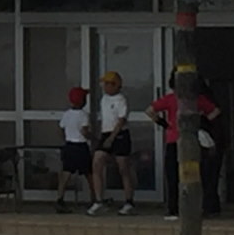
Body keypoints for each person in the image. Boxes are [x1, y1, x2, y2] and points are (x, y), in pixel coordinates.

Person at [148, 73, 224, 217]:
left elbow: (150, 110)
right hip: (192, 140)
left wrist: (165, 124)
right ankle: (197, 207)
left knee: (173, 176)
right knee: (195, 176)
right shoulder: (197, 99)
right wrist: (202, 120)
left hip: (173, 139)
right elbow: (215, 111)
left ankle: (174, 208)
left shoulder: (170, 98)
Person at [88, 71, 135, 215]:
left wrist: (112, 137)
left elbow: (121, 120)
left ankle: (129, 201)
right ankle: (98, 200)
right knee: (97, 162)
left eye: (108, 84)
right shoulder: (104, 99)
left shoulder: (121, 100)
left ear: (116, 85)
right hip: (106, 132)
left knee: (123, 167)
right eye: (104, 84)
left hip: (119, 134)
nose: (105, 87)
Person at [55, 85, 93, 213]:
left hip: (69, 146)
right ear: (82, 101)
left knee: (66, 174)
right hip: (81, 146)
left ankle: (60, 199)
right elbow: (84, 131)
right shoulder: (83, 115)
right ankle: (95, 199)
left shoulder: (66, 114)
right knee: (89, 174)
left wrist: (66, 139)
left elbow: (61, 129)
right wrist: (94, 138)